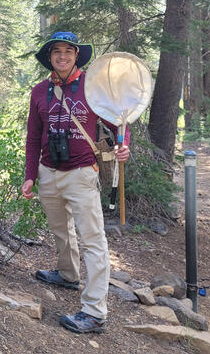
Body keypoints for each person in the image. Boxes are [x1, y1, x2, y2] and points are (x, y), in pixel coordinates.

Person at [21, 31, 130, 334]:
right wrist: (30, 175)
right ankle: (68, 274)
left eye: (69, 51)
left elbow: (118, 121)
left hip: (82, 173)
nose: (63, 56)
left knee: (93, 240)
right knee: (61, 231)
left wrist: (123, 144)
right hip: (48, 172)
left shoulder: (92, 87)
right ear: (50, 57)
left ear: (76, 55)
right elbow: (33, 137)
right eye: (57, 51)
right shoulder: (39, 91)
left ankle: (94, 311)